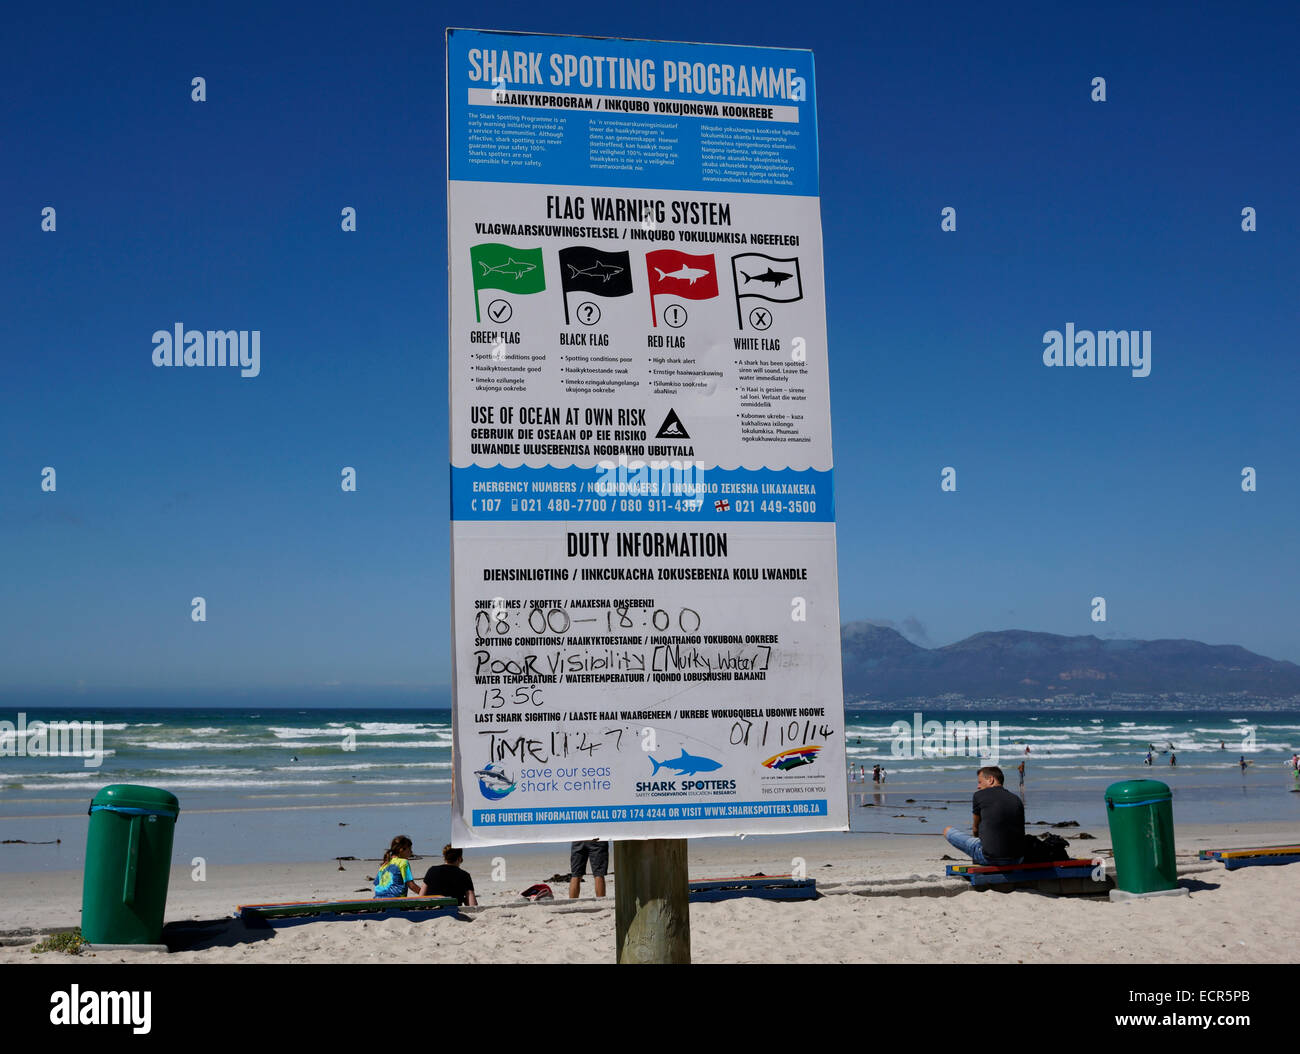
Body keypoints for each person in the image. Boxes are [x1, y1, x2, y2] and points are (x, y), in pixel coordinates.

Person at [943, 766, 1024, 866]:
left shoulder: (979, 795)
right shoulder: (1016, 799)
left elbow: (975, 829)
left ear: (990, 780)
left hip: (990, 858)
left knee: (947, 831)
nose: (978, 786)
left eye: (980, 782)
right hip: (1017, 859)